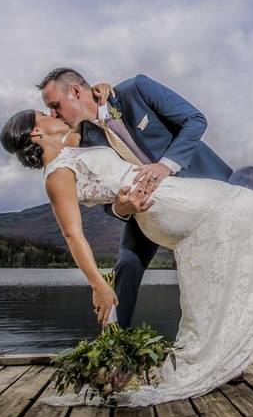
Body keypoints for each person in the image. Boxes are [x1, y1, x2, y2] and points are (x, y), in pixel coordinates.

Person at [0, 109, 253, 406]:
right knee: (232, 203)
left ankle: (210, 355)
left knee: (208, 271)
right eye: (42, 114)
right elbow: (73, 235)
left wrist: (103, 98)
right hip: (160, 203)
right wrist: (98, 284)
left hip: (158, 197)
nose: (50, 112)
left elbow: (96, 114)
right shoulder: (57, 175)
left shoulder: (71, 147)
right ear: (34, 133)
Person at [37, 68, 233, 328]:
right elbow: (102, 190)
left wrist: (165, 166)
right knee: (128, 263)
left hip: (201, 186)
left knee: (219, 269)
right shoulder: (83, 141)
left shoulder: (135, 90)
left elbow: (195, 120)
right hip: (146, 207)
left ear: (75, 92)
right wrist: (119, 208)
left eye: (54, 105)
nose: (53, 113)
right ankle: (118, 344)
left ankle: (220, 340)